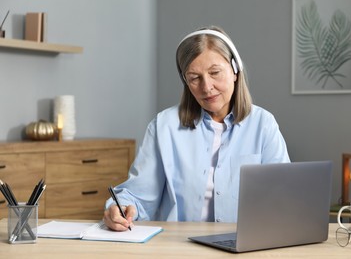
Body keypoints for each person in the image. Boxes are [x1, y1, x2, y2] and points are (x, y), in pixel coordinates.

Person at [103, 25, 290, 231]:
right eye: (194, 78)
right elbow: (137, 196)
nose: (206, 87)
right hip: (178, 247)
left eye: (215, 73)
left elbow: (284, 197)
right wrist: (118, 208)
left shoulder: (264, 125)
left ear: (235, 70)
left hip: (244, 245)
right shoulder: (164, 127)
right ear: (186, 82)